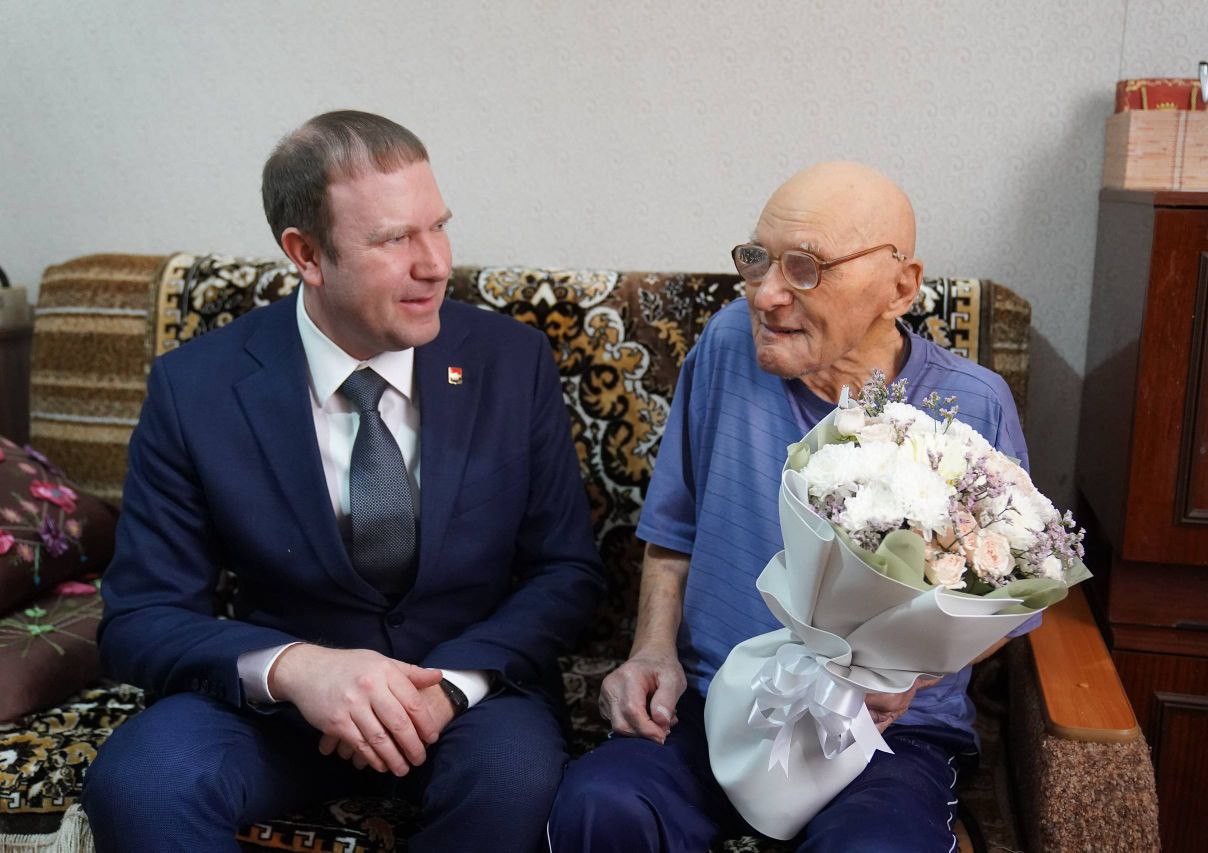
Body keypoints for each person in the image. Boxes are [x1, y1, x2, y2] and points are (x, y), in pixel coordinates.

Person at [81, 110, 604, 853]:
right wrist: (297, 670)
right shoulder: (196, 387)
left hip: (464, 698)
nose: (435, 264)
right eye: (393, 239)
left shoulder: (511, 361)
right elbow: (140, 616)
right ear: (307, 254)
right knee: (139, 782)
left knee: (515, 782)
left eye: (438, 227)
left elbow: (566, 572)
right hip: (284, 712)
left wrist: (449, 687)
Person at [549, 162, 1037, 852]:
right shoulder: (725, 347)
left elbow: (1013, 602)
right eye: (757, 259)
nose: (765, 294)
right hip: (714, 704)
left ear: (900, 287)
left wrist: (910, 673)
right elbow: (673, 533)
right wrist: (652, 650)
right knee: (600, 807)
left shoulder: (974, 403)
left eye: (805, 268)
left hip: (888, 733)